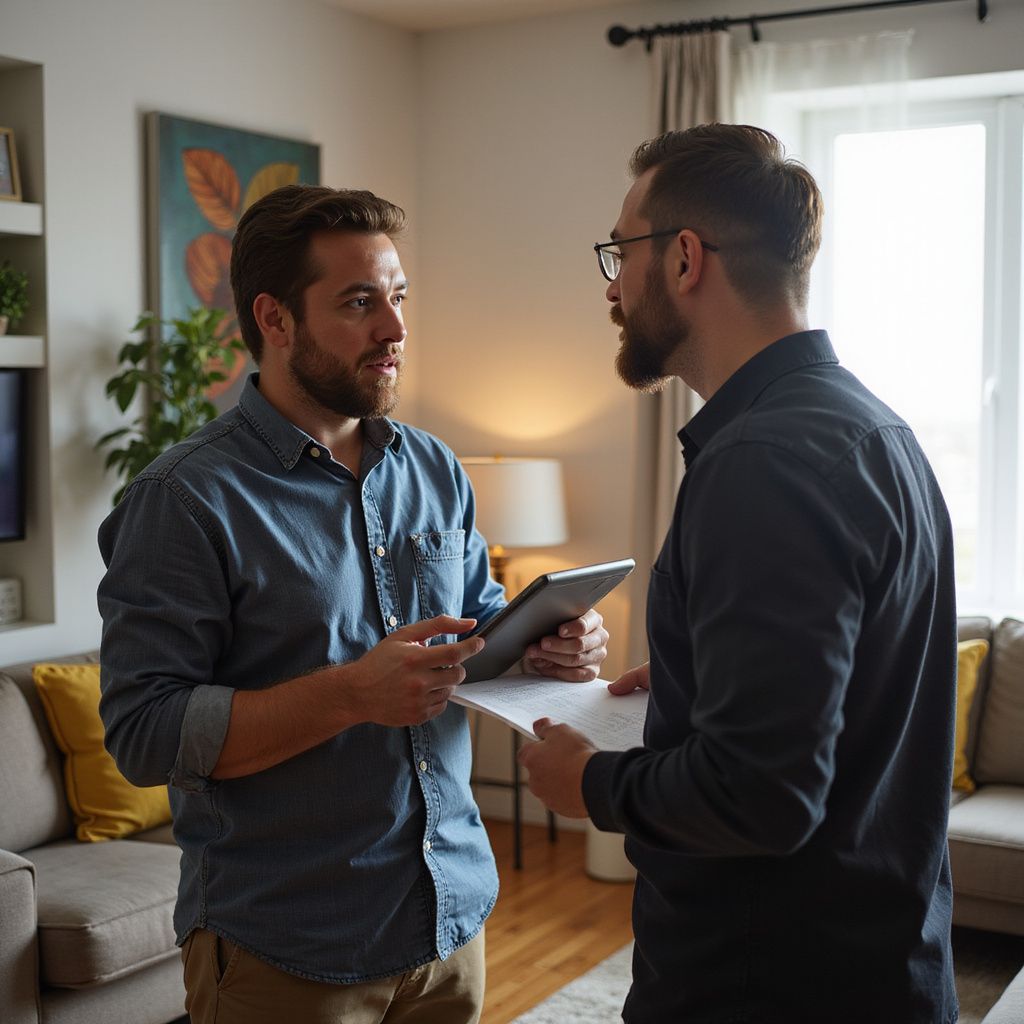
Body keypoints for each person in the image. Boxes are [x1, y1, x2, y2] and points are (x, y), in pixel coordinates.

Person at [97, 184, 609, 1024]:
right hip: (286, 951)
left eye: (399, 297)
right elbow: (145, 734)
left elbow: (475, 628)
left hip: (450, 923)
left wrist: (545, 646)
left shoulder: (434, 468)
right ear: (277, 319)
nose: (396, 329)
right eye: (360, 302)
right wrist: (350, 694)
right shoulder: (185, 500)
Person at [518, 124, 958, 1024]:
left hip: (769, 987)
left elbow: (762, 794)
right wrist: (690, 683)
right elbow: (835, 706)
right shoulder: (871, 427)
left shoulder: (764, 463)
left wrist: (590, 785)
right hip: (875, 962)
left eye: (620, 252)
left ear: (684, 259)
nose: (611, 283)